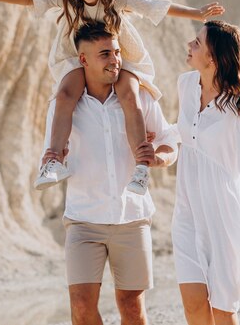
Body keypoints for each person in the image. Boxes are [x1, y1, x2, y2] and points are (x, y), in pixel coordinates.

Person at [0, 0, 224, 194]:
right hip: (77, 57)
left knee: (130, 96)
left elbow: (153, 5)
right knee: (64, 95)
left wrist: (196, 13)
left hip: (120, 56)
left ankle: (141, 168)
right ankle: (53, 161)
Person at [43, 21, 178, 325]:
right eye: (105, 53)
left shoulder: (140, 98)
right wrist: (55, 157)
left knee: (131, 306)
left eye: (117, 52)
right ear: (84, 60)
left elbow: (170, 142)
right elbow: (49, 154)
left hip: (131, 219)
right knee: (80, 306)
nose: (115, 59)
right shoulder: (64, 106)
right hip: (83, 220)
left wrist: (159, 159)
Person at [172, 21, 240, 324]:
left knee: (222, 309)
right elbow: (183, 133)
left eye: (198, 43)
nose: (189, 45)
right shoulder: (185, 85)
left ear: (214, 56)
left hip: (226, 215)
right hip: (187, 211)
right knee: (193, 306)